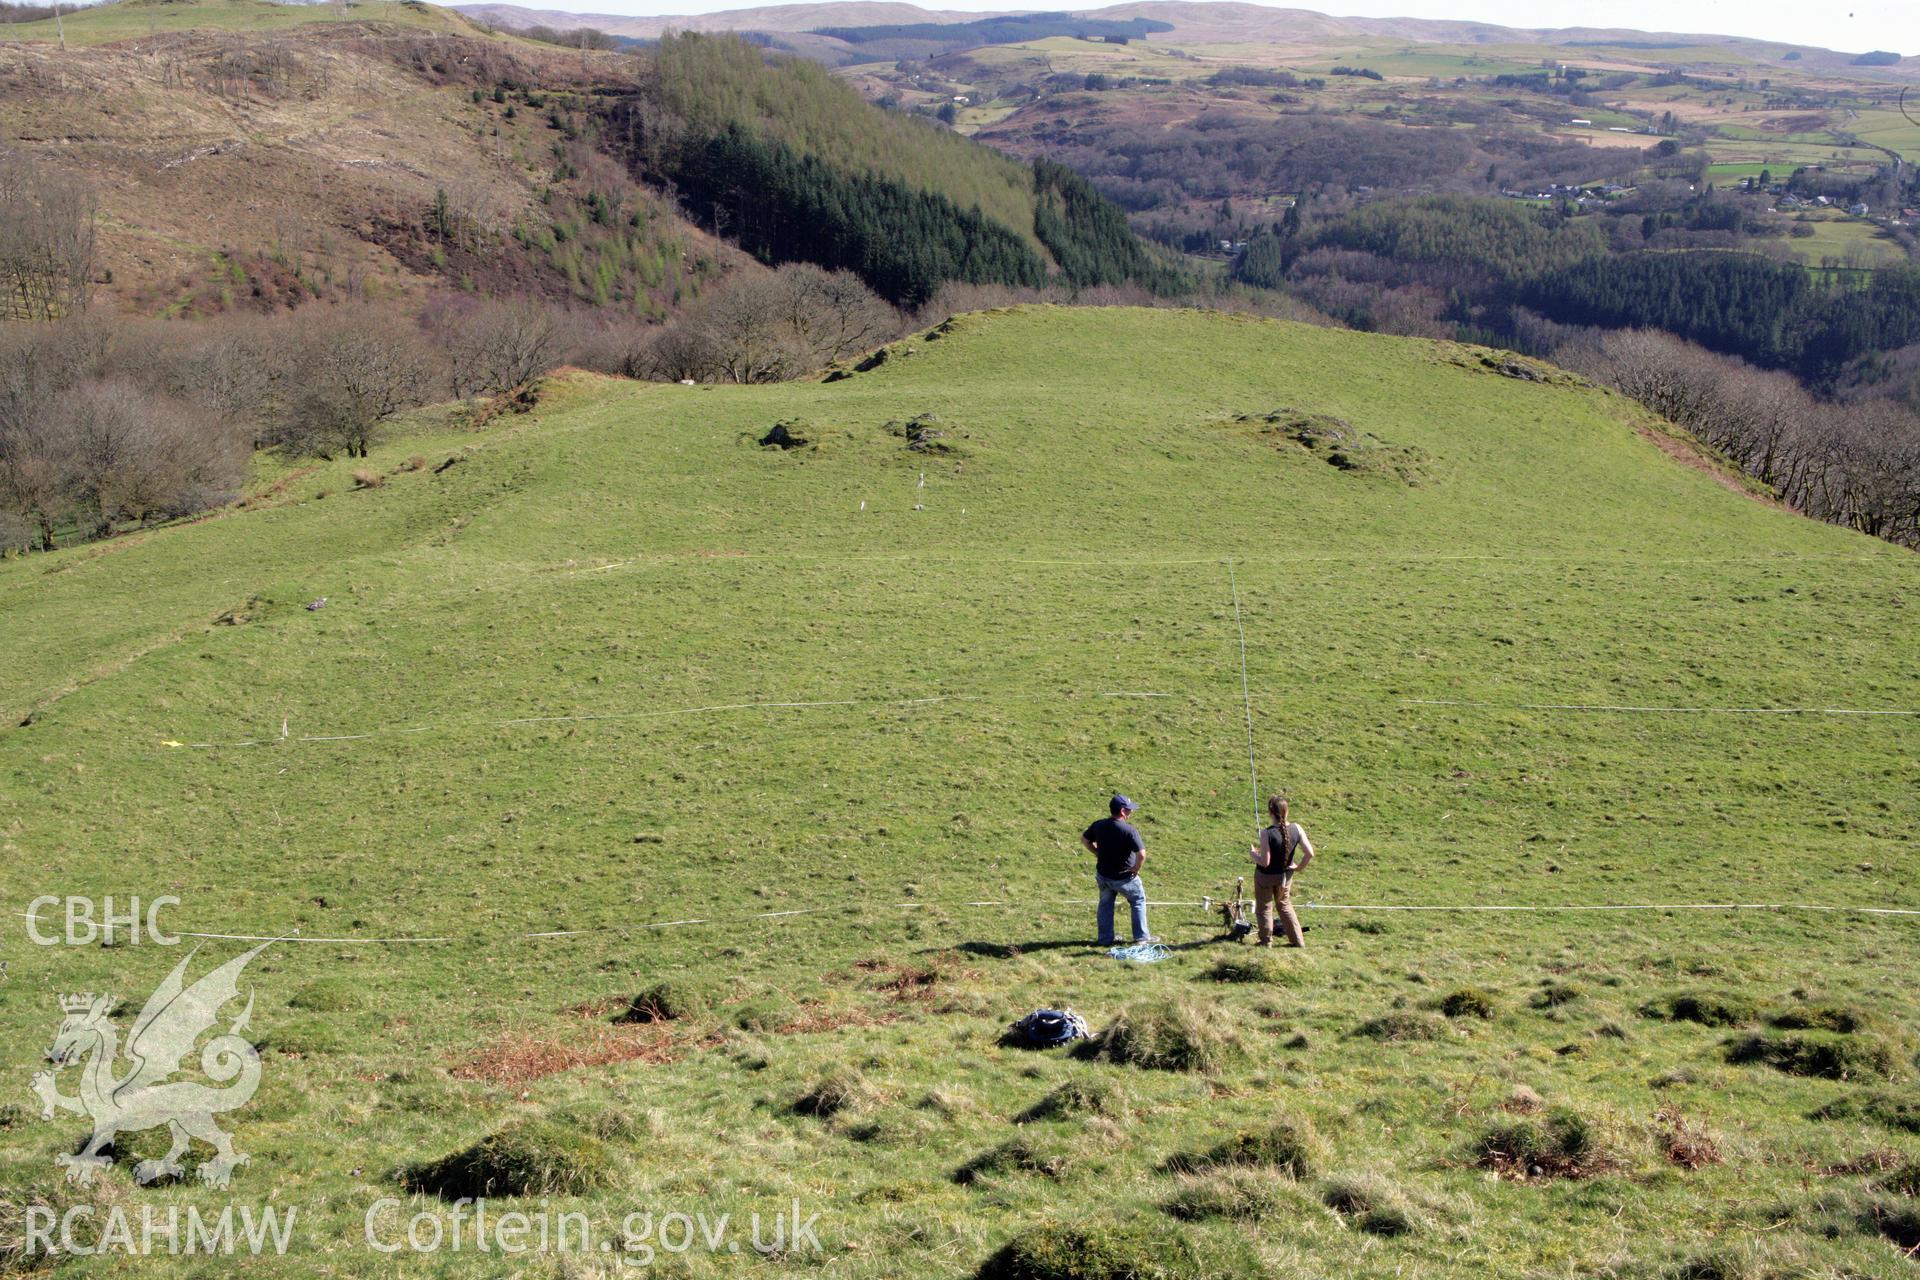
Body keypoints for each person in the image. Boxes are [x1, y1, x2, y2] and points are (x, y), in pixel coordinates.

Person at [1082, 794, 1153, 946]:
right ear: (1122, 811)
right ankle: (1141, 938)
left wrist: (1096, 852)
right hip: (1125, 877)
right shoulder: (1129, 830)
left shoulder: (1099, 825)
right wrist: (1135, 868)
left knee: (1105, 905)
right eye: (1128, 810)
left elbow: (1085, 840)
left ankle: (1105, 939)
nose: (1131, 812)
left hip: (1104, 876)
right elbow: (1141, 854)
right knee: (1138, 901)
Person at [1249, 793, 1315, 947]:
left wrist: (1253, 855)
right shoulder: (1296, 828)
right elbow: (1309, 853)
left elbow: (1265, 862)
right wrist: (1298, 868)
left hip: (1264, 877)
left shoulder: (1266, 833)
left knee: (1264, 908)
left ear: (1270, 813)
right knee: (1284, 906)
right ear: (1287, 811)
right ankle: (1298, 941)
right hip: (1285, 877)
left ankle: (1266, 942)